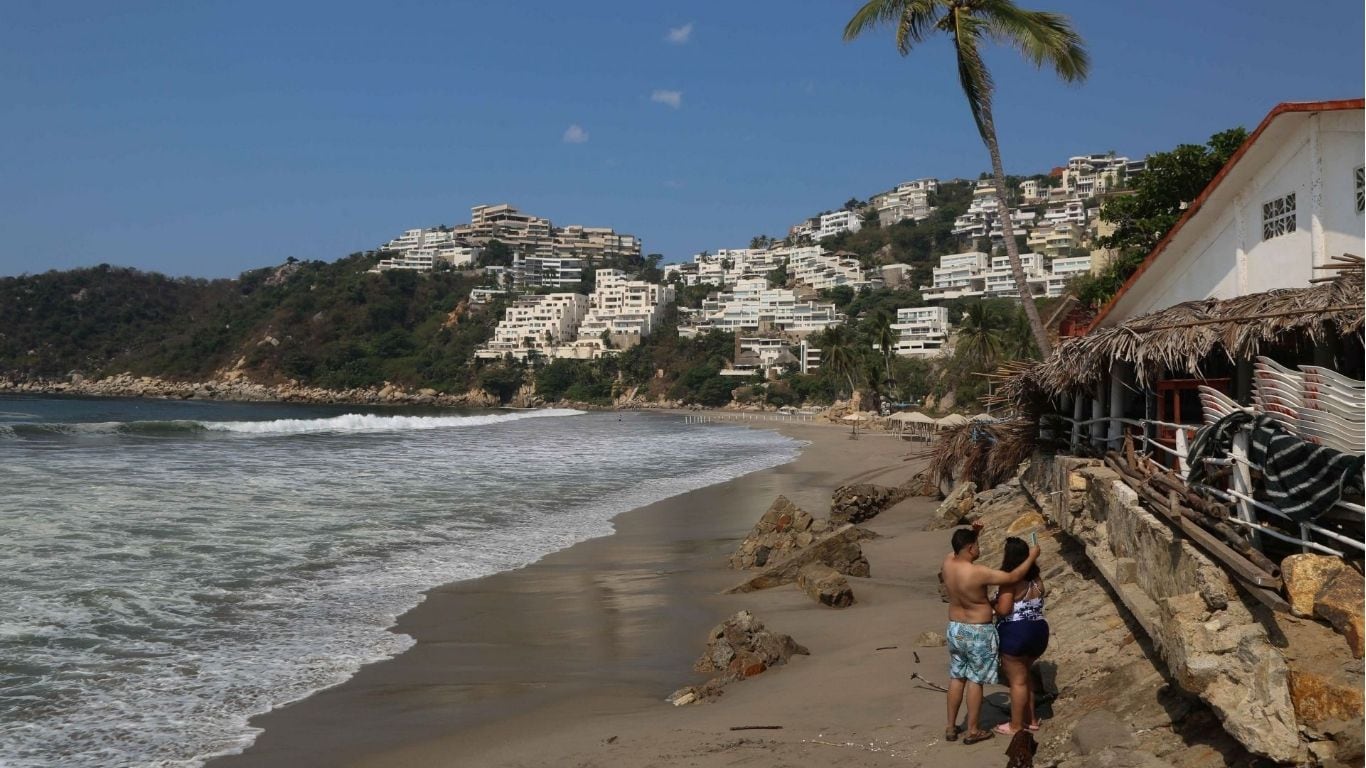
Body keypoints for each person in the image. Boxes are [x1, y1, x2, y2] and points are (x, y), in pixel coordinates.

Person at [941, 524, 1040, 745]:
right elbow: (1013, 576)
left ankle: (950, 726)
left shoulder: (948, 563)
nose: (979, 548)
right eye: (976, 545)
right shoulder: (978, 572)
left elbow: (958, 549)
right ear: (969, 548)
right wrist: (1032, 556)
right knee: (976, 680)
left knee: (957, 676)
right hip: (978, 629)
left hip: (956, 627)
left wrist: (973, 534)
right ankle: (973, 730)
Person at [992, 536, 1050, 736]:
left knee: (1017, 681)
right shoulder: (1036, 579)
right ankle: (1031, 719)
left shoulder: (1009, 582)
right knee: (1026, 677)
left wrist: (993, 604)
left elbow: (1005, 610)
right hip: (1039, 631)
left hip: (1016, 633)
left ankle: (1016, 725)